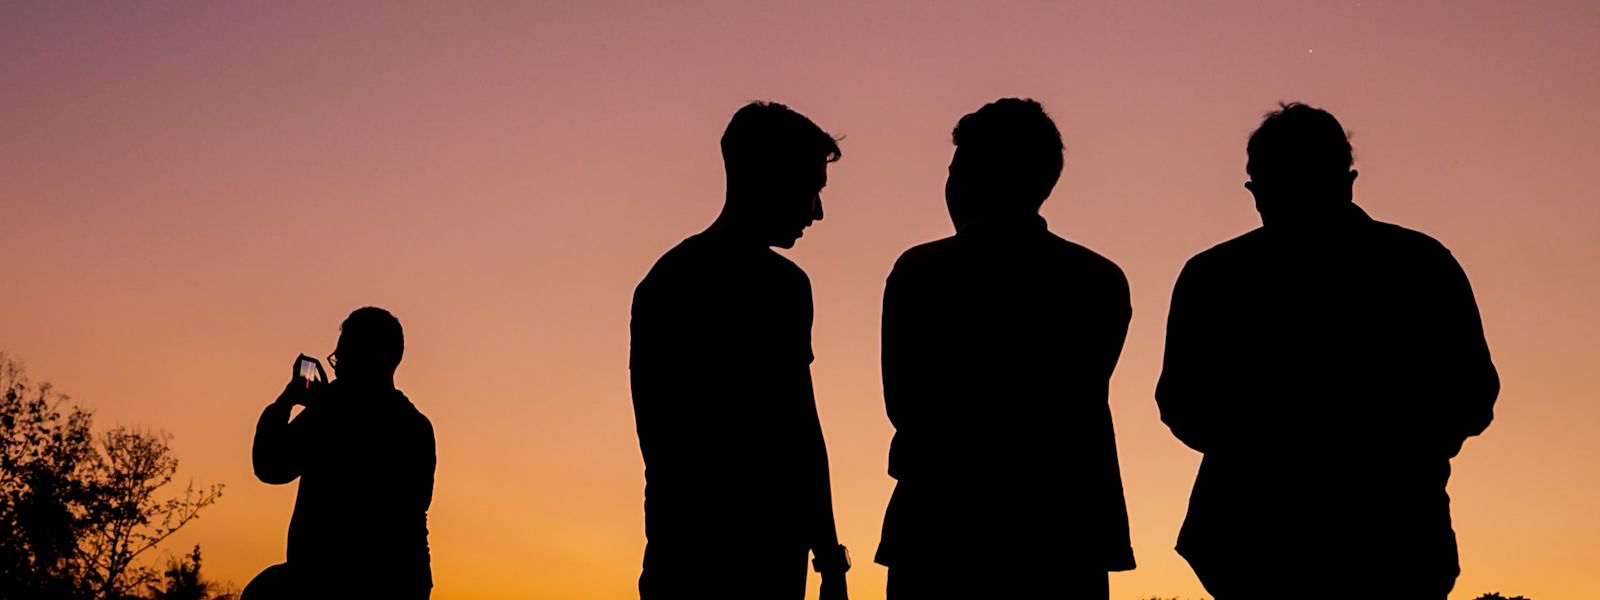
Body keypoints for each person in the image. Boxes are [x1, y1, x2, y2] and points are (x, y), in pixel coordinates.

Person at [1156, 103, 1499, 599]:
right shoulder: (1421, 264)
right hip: (1392, 536)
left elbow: (1183, 405)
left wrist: (1267, 448)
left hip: (1260, 540)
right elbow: (1472, 395)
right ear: (1349, 180)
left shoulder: (1214, 276)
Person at [875, 98, 1135, 599]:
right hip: (1064, 528)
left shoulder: (922, 270)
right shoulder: (1100, 279)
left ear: (971, 177)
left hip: (942, 526)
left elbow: (904, 404)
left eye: (954, 170)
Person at [629, 101, 850, 600]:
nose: (817, 212)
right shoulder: (780, 286)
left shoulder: (663, 281)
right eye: (811, 189)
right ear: (770, 179)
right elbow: (799, 429)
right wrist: (830, 559)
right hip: (761, 560)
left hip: (678, 554)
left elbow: (657, 437)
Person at [243, 307, 436, 599]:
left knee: (262, 592)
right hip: (404, 581)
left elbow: (270, 466)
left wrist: (288, 399)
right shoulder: (417, 426)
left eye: (341, 357)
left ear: (360, 358)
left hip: (326, 578)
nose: (337, 367)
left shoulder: (332, 411)